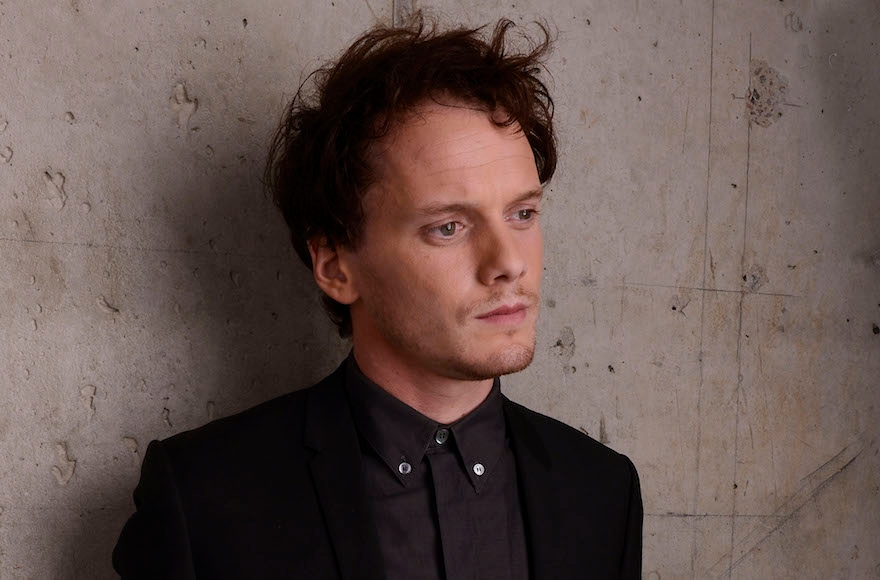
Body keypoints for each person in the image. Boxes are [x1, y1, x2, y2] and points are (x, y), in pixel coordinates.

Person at [113, 15, 642, 579]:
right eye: (449, 227)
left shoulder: (602, 492)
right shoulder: (203, 499)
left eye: (522, 213)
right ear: (337, 267)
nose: (509, 262)